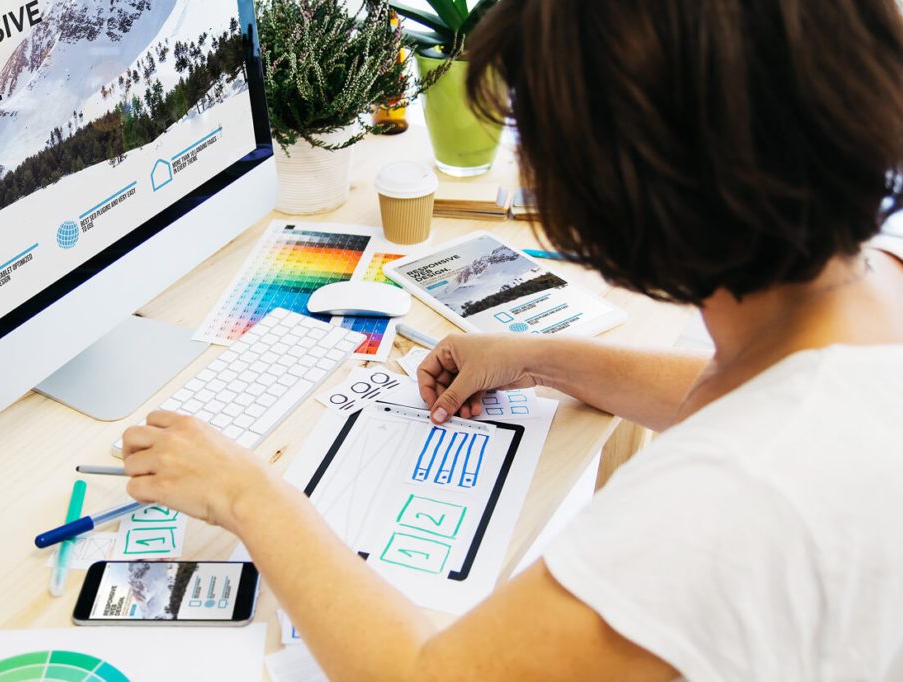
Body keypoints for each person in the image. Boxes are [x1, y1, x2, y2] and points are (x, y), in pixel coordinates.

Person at [120, 0, 903, 678]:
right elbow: (741, 392)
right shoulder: (873, 284)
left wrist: (246, 493)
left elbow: (424, 673)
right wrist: (535, 357)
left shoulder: (729, 495)